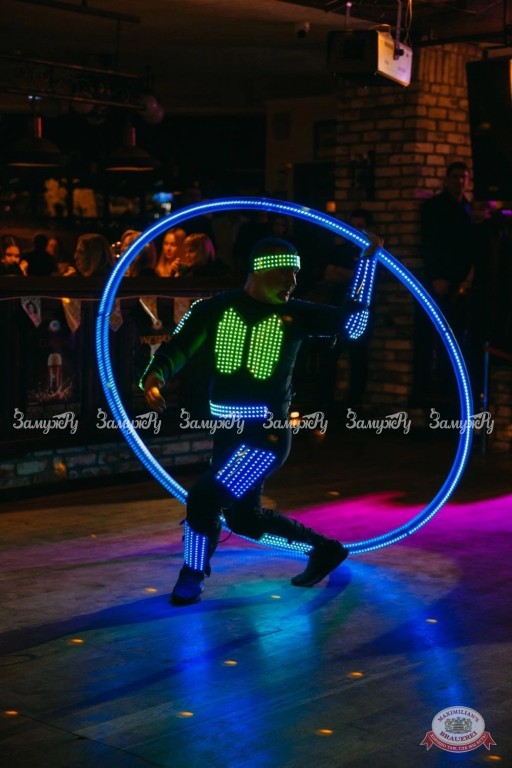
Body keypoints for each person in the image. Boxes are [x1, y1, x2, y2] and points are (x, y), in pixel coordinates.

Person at [141, 233, 381, 606]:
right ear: (259, 269)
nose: (292, 282)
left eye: (296, 274)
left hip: (265, 437)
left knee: (205, 497)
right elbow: (179, 346)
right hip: (228, 431)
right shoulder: (213, 309)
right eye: (284, 272)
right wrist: (154, 376)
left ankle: (192, 572)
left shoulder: (297, 314)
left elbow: (353, 326)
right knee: (244, 519)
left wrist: (367, 264)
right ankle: (325, 550)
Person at [414, 161, 477, 404]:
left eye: (464, 177)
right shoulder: (435, 207)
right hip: (441, 280)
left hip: (462, 281)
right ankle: (434, 392)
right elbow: (430, 243)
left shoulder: (468, 207)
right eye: (456, 176)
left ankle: (451, 391)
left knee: (457, 335)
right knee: (438, 337)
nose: (460, 181)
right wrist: (435, 276)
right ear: (447, 179)